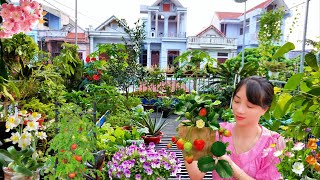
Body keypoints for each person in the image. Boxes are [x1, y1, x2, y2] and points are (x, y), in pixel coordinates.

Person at [185, 76, 285, 180]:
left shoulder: (273, 143)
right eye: (237, 101)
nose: (240, 110)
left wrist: (230, 166)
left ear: (265, 109)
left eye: (249, 106)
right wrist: (188, 135)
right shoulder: (219, 133)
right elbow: (196, 175)